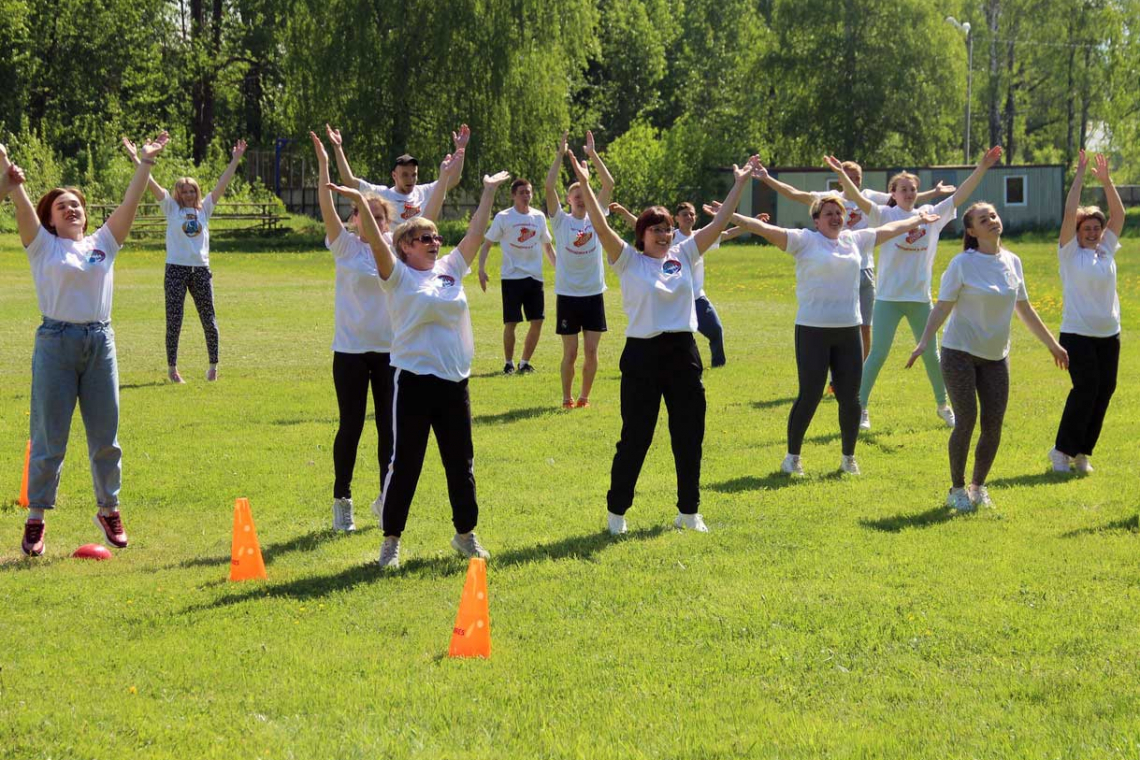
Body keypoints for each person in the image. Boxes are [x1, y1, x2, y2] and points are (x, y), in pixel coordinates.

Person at [565, 145, 759, 534]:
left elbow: (719, 223)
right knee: (635, 437)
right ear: (641, 235)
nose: (664, 233)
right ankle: (616, 513)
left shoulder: (684, 254)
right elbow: (602, 228)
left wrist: (739, 184)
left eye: (668, 227)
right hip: (641, 356)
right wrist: (586, 186)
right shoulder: (627, 259)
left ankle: (689, 512)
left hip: (683, 353)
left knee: (689, 436)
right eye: (656, 228)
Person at [327, 169, 510, 569]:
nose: (435, 242)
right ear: (406, 245)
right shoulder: (396, 275)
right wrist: (359, 201)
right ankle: (391, 542)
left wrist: (488, 192)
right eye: (426, 237)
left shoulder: (450, 268)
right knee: (404, 464)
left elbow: (476, 233)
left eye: (436, 237)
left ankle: (465, 535)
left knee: (460, 463)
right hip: (411, 381)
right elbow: (376, 241)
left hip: (454, 383)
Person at [1, 133, 170, 557]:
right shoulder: (42, 245)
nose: (71, 208)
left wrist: (144, 164)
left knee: (105, 437)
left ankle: (108, 509)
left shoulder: (102, 244)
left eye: (75, 203)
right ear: (52, 219)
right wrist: (5, 165)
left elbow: (129, 206)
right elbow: (19, 200)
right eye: (62, 206)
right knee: (48, 438)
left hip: (100, 342)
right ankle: (36, 518)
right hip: (55, 344)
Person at [726, 194, 941, 476]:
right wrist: (733, 216)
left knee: (850, 397)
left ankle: (848, 458)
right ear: (816, 220)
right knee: (810, 395)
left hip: (848, 329)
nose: (835, 218)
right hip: (812, 330)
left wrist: (918, 219)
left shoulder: (855, 240)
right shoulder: (804, 240)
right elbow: (766, 229)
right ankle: (792, 458)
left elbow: (890, 230)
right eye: (828, 213)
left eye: (838, 213)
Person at [311, 131, 456, 532]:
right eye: (366, 216)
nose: (373, 222)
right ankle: (343, 499)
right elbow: (326, 205)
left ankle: (383, 498)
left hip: (391, 353)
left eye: (380, 218)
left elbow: (433, 216)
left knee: (389, 432)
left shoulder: (399, 254)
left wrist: (444, 176)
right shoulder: (344, 246)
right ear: (354, 218)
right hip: (351, 351)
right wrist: (325, 163)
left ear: (388, 224)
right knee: (351, 426)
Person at [907, 202, 1068, 511]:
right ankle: (956, 489)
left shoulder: (1013, 261)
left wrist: (1052, 345)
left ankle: (978, 487)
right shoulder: (962, 264)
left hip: (996, 356)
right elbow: (942, 305)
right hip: (959, 353)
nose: (992, 221)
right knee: (966, 419)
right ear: (971, 231)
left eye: (993, 216)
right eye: (984, 219)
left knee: (993, 425)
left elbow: (1025, 309)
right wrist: (924, 341)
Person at [832, 147, 1003, 432]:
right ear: (893, 193)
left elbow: (959, 195)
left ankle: (943, 406)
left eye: (912, 189)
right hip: (888, 298)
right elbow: (860, 200)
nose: (909, 193)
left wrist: (982, 168)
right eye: (903, 189)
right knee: (878, 354)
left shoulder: (931, 215)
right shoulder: (884, 215)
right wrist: (841, 175)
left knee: (932, 355)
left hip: (920, 300)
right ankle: (860, 407)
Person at [757, 160, 954, 362]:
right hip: (838, 268)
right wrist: (767, 178)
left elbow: (905, 196)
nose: (854, 180)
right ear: (840, 179)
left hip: (865, 269)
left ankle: (857, 371)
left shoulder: (868, 196)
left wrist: (934, 193)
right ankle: (834, 372)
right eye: (848, 177)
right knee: (839, 323)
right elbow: (795, 194)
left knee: (865, 325)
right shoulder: (829, 199)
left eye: (857, 177)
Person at [124, 137, 246, 383]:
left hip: (200, 270)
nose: (189, 194)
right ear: (178, 193)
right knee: (174, 320)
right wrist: (137, 158)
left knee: (209, 319)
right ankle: (172, 370)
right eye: (184, 191)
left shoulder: (205, 209)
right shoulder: (171, 207)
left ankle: (213, 367)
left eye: (192, 191)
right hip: (176, 270)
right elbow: (149, 182)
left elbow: (222, 184)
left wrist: (235, 160)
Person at [1049, 152, 1125, 474]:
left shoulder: (1106, 249)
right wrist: (1079, 175)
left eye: (1097, 227)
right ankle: (1060, 451)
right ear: (1077, 232)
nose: (1093, 232)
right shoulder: (1069, 254)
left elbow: (1119, 215)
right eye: (1087, 228)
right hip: (1077, 333)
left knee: (1105, 389)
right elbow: (1069, 213)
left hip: (1109, 334)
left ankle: (1082, 453)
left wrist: (1107, 181)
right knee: (1086, 387)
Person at [610, 201, 744, 368]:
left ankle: (719, 364)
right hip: (667, 306)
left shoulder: (694, 239)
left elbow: (721, 230)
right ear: (677, 218)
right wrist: (624, 212)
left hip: (695, 297)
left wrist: (752, 225)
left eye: (692, 214)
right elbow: (642, 225)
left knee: (715, 330)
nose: (689, 217)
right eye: (685, 214)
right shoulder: (673, 239)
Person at [544, 130, 614, 407]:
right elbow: (549, 188)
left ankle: (585, 397)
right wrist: (560, 156)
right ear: (569, 200)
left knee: (591, 350)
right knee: (570, 353)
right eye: (575, 195)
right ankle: (566, 398)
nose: (581, 198)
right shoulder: (560, 222)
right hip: (568, 295)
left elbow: (608, 184)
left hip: (593, 294)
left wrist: (592, 155)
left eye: (584, 193)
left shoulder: (598, 219)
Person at [478, 177, 557, 375]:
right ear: (513, 195)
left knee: (537, 321)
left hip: (534, 277)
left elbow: (547, 246)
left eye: (528, 192)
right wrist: (481, 269)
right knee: (511, 323)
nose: (526, 196)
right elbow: (487, 244)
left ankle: (524, 362)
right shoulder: (504, 217)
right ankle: (508, 363)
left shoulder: (538, 217)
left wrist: (560, 270)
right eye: (522, 192)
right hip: (512, 278)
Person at [326, 123, 468, 221]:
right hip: (394, 261)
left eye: (414, 175)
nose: (410, 179)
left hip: (418, 261)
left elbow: (453, 180)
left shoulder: (424, 192)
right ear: (394, 175)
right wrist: (338, 147)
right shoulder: (383, 195)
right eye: (405, 175)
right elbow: (349, 180)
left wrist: (461, 148)